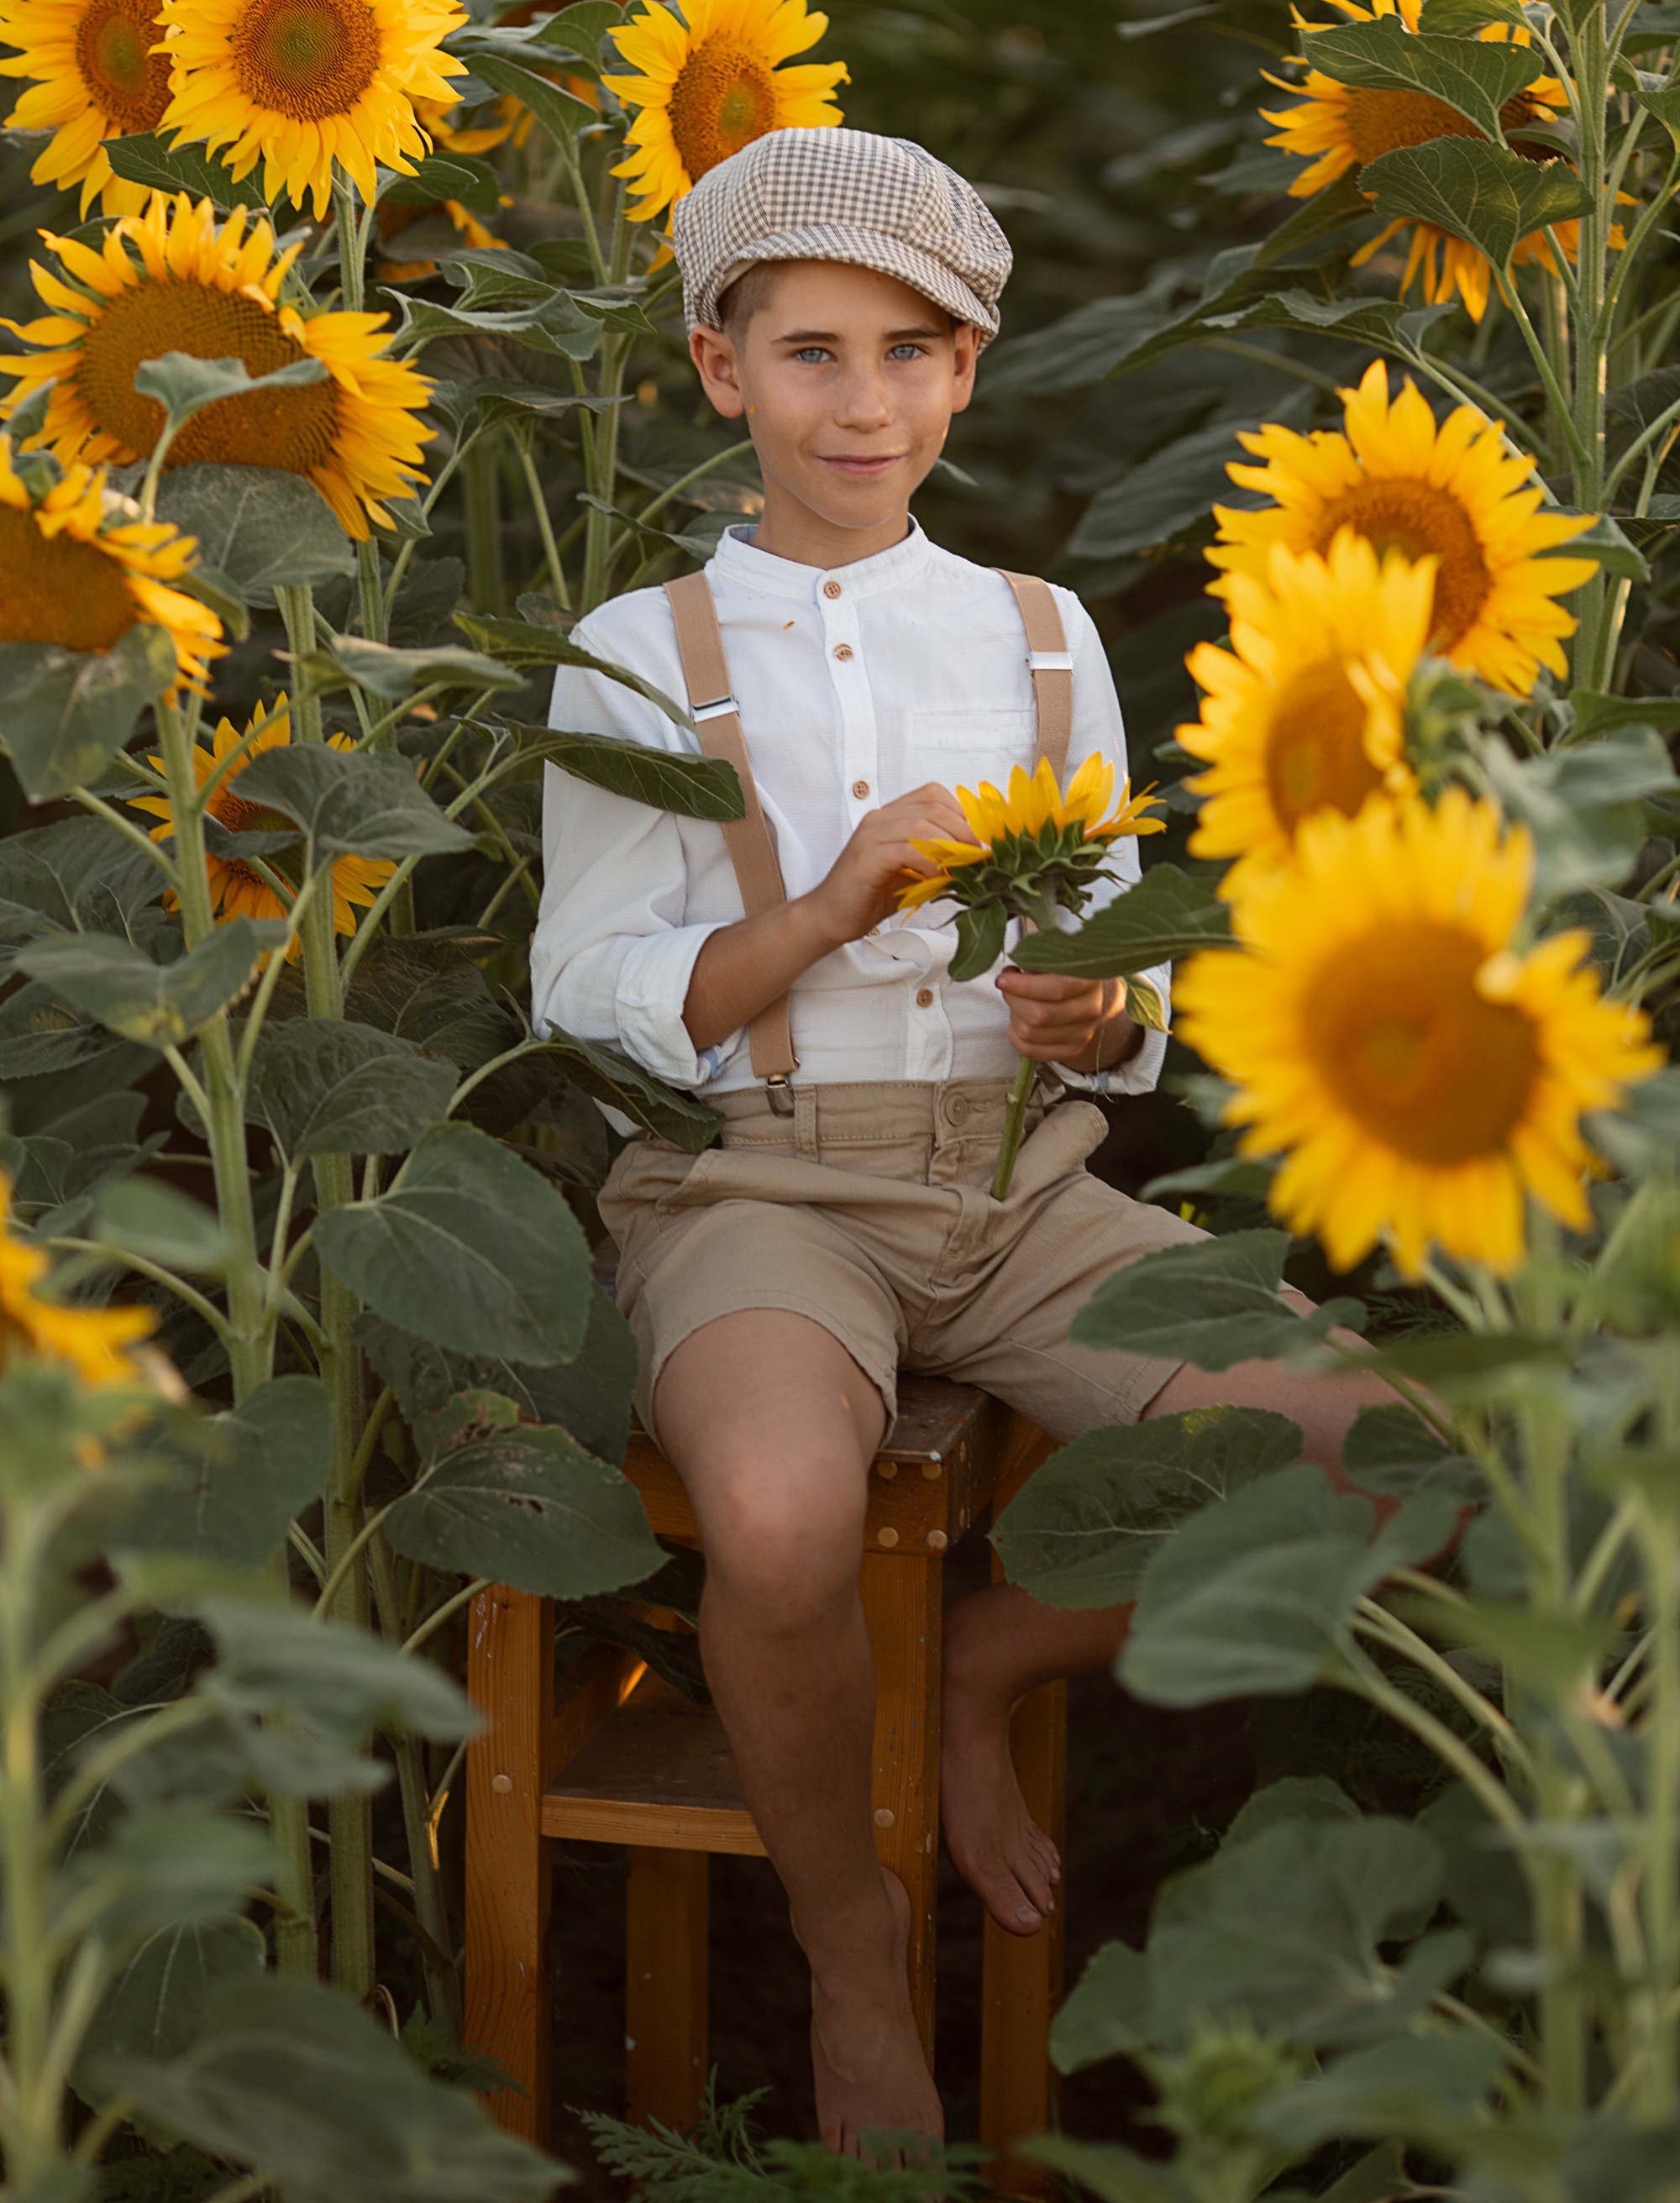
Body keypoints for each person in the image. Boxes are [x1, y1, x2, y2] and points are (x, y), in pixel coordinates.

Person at [530, 124, 1392, 2154]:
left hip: (1016, 1185)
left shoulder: (1036, 633)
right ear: (718, 366)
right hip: (756, 1183)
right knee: (772, 1514)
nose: (865, 400)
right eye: (811, 352)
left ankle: (978, 1668)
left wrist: (1107, 1007)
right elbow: (579, 984)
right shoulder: (644, 654)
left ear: (971, 369)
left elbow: (1119, 958)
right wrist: (819, 911)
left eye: (911, 351)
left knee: (1382, 1453)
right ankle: (851, 1957)